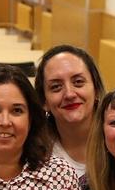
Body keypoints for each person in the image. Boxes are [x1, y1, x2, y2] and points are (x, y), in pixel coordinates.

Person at [34, 45, 106, 177]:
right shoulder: (34, 154)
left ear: (96, 90)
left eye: (78, 82)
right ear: (44, 101)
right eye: (56, 87)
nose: (69, 94)